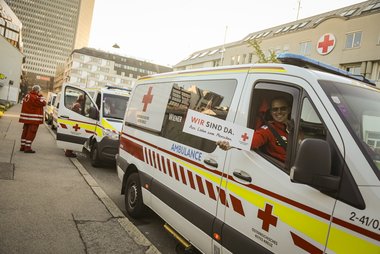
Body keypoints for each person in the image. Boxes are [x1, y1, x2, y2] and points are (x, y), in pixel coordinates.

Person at [217, 97, 291, 162]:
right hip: (281, 169)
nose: (279, 112)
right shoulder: (267, 130)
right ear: (271, 112)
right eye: (275, 109)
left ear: (289, 110)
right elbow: (251, 141)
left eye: (283, 108)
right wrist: (231, 144)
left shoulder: (296, 127)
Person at [19, 84, 46, 153]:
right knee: (31, 133)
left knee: (25, 132)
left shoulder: (27, 95)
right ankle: (27, 148)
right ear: (37, 91)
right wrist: (40, 95)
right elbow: (43, 103)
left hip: (27, 118)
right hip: (33, 119)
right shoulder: (35, 97)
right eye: (39, 91)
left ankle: (22, 146)